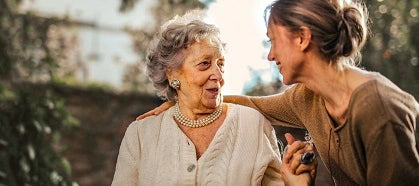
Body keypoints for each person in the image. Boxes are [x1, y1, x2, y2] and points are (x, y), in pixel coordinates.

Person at [136, 0, 419, 185]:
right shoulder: (308, 97)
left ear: (302, 38)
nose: (270, 55)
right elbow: (253, 104)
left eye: (273, 41)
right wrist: (184, 102)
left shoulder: (378, 109)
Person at [112, 10, 316, 186]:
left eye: (221, 64)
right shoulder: (140, 134)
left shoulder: (252, 124)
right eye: (204, 64)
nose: (218, 75)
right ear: (172, 74)